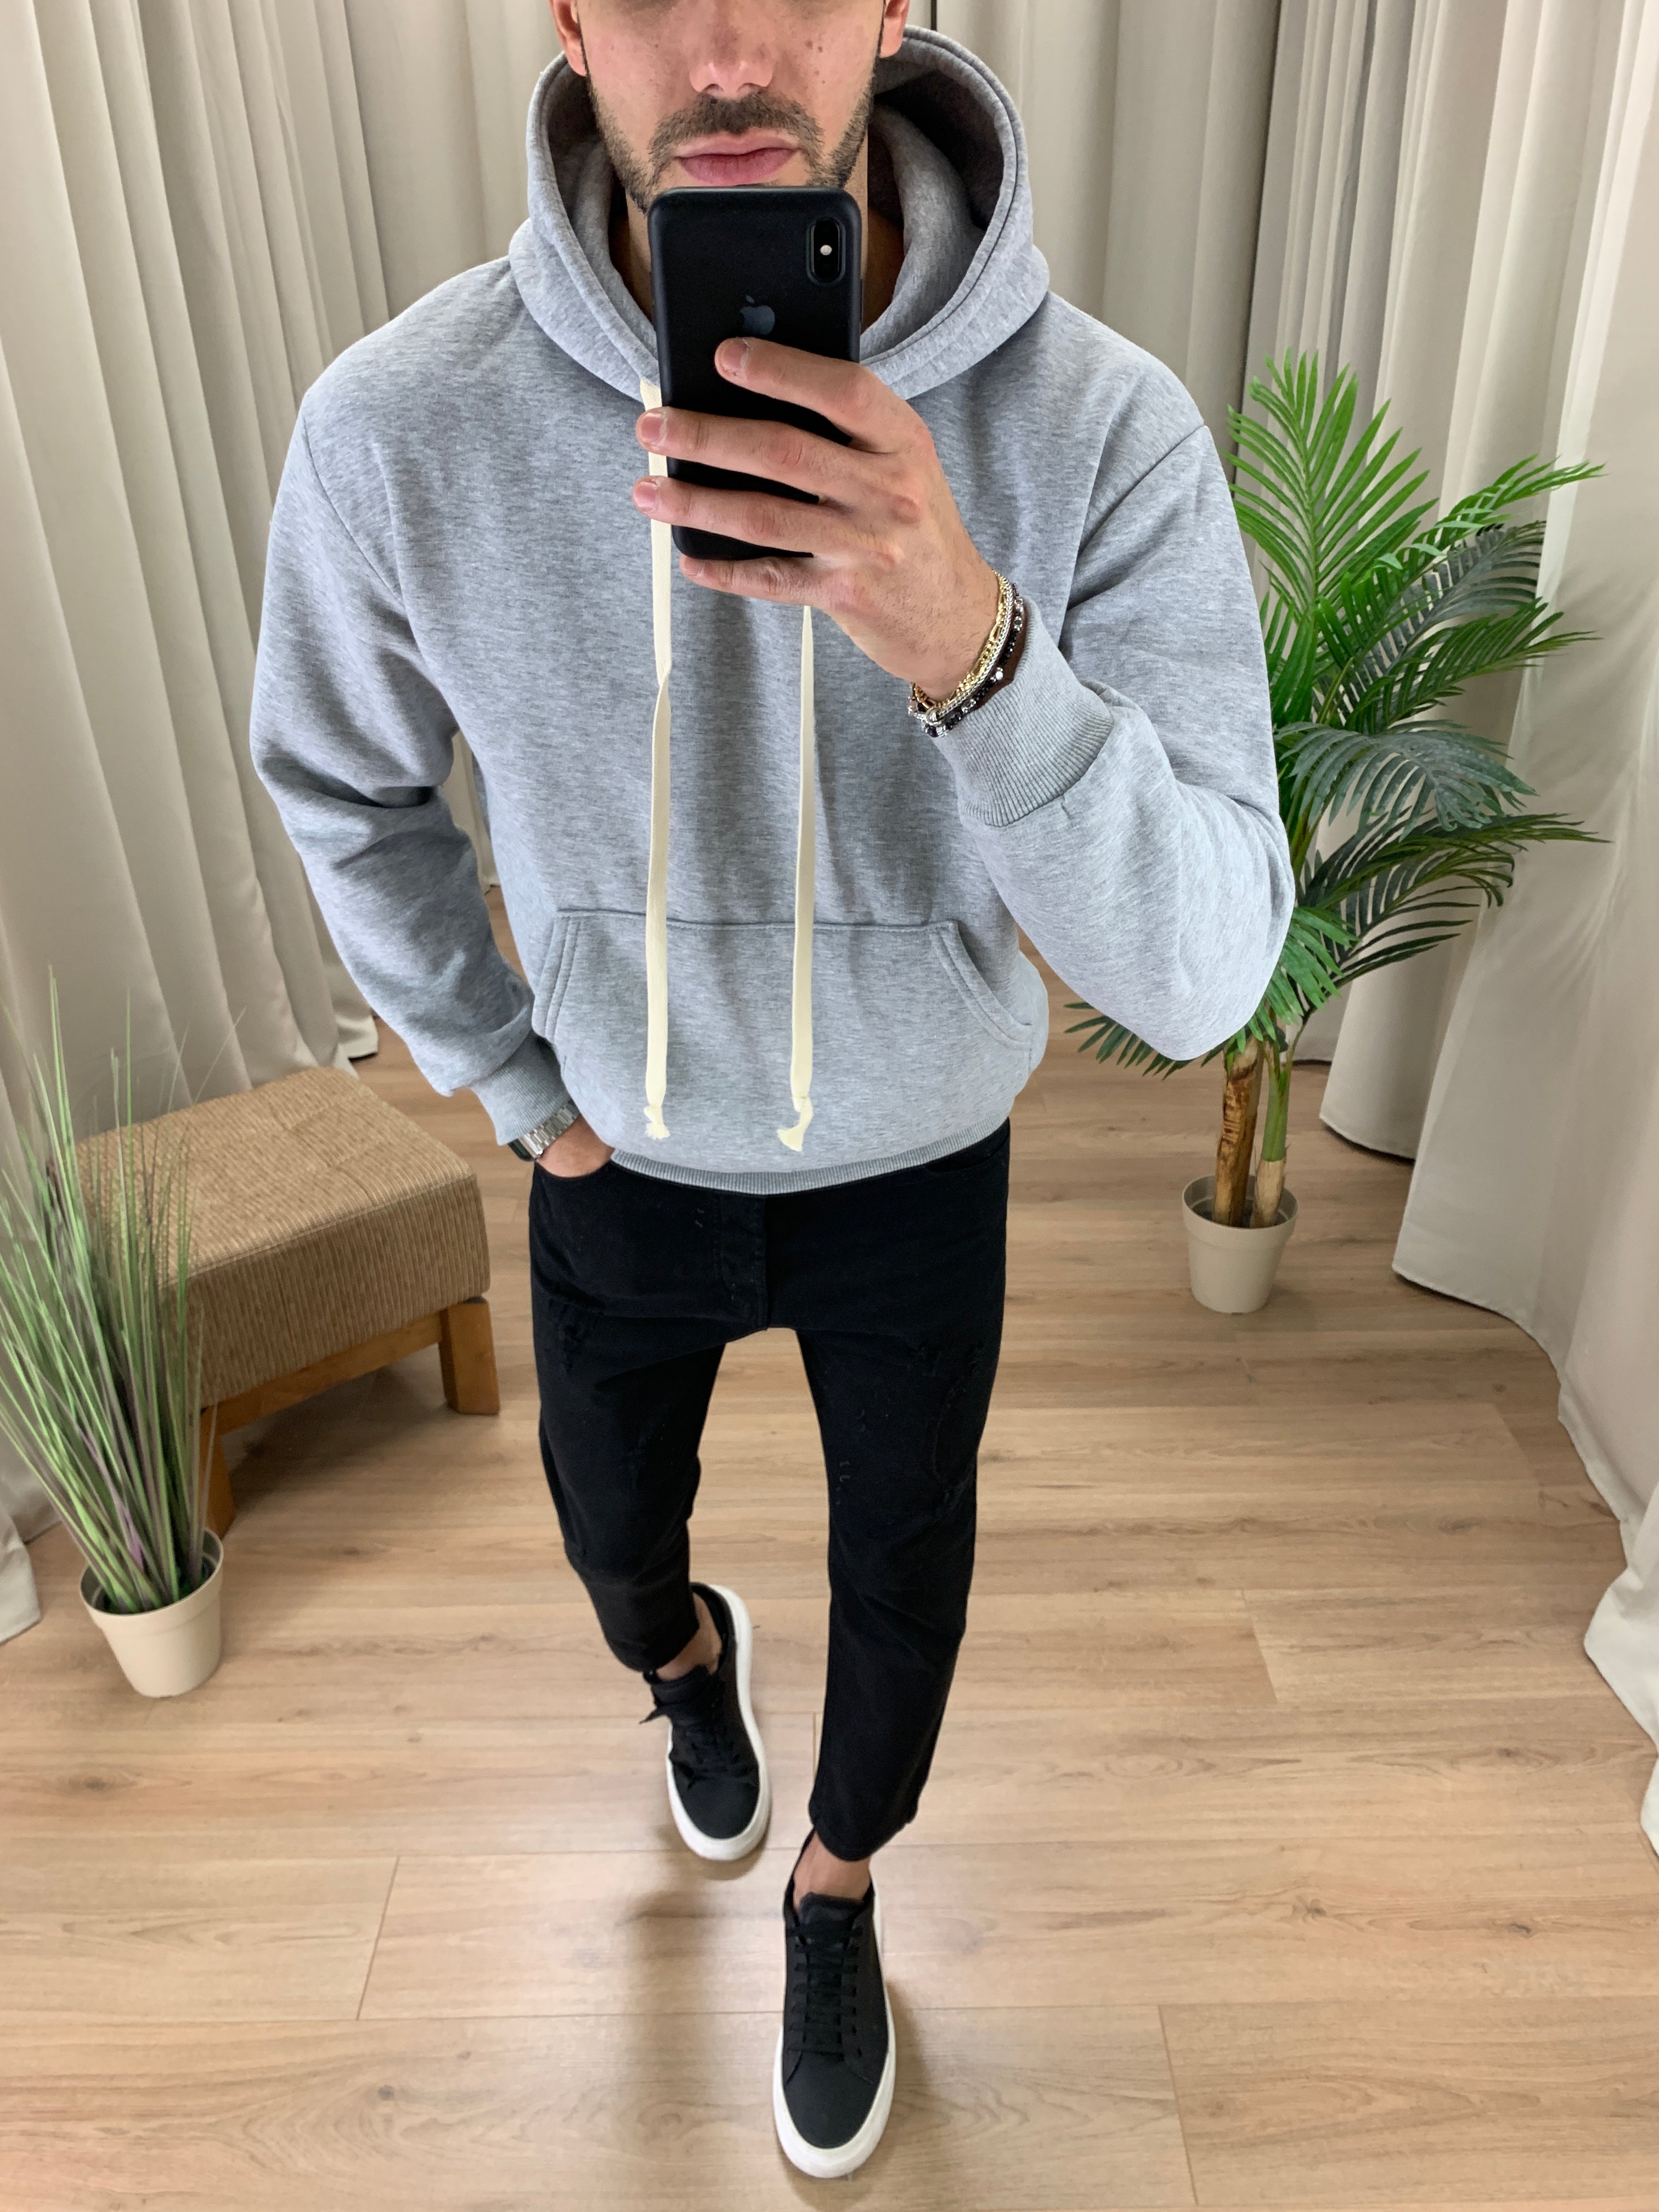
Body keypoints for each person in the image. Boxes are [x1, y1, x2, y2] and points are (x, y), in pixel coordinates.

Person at [250, 0, 1292, 2179]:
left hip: (924, 1162)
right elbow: (343, 785)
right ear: (566, 18)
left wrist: (970, 644)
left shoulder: (1101, 426)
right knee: (609, 1539)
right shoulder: (399, 425)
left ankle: (838, 1890)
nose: (726, 48)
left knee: (910, 1573)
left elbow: (1205, 977)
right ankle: (683, 1668)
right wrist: (509, 1074)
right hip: (613, 1146)